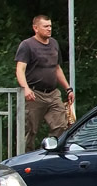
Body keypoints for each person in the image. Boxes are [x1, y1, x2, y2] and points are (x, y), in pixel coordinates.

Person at [15, 14, 74, 151]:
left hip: (53, 93)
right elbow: (20, 69)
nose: (49, 29)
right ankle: (25, 158)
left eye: (50, 26)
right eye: (45, 26)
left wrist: (68, 88)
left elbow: (57, 68)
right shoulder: (27, 45)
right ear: (36, 28)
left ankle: (50, 152)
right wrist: (26, 89)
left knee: (61, 125)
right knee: (30, 130)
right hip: (35, 93)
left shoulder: (54, 43)